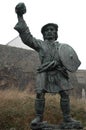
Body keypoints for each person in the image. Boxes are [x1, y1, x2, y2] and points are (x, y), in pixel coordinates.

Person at [14, 3, 79, 125]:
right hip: (44, 72)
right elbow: (27, 37)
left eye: (52, 30)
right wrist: (20, 16)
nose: (49, 32)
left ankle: (67, 118)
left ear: (55, 33)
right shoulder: (40, 44)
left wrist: (60, 63)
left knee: (65, 93)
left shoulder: (62, 48)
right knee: (40, 93)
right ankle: (38, 117)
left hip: (59, 72)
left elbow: (69, 60)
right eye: (47, 30)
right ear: (44, 34)